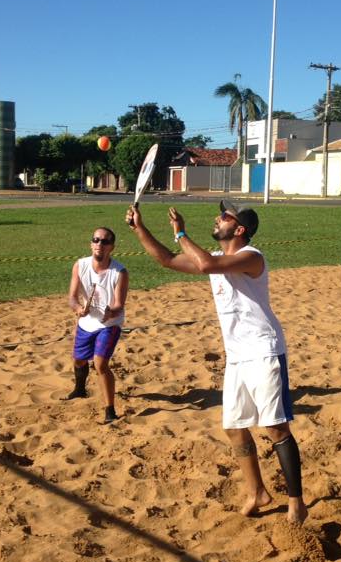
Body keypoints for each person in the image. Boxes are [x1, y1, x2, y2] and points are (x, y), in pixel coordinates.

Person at [125, 201, 307, 524]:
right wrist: (139, 227)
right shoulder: (215, 260)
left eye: (225, 216)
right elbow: (166, 260)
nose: (218, 217)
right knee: (234, 428)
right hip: (238, 356)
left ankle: (297, 502)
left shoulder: (253, 256)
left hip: (265, 350)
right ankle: (257, 492)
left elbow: (206, 264)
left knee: (275, 428)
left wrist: (181, 231)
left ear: (239, 230)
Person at [66, 227, 128, 423]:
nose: (100, 244)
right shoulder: (80, 265)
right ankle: (79, 389)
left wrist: (111, 311)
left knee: (100, 363)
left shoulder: (119, 272)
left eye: (105, 241)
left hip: (109, 324)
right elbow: (72, 298)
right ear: (91, 244)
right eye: (96, 240)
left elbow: (119, 304)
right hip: (87, 322)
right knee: (79, 361)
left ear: (112, 247)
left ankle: (110, 411)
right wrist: (77, 308)